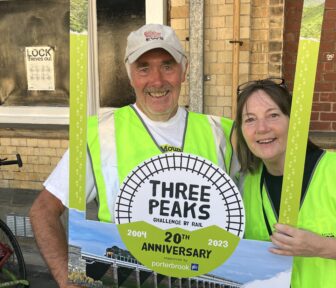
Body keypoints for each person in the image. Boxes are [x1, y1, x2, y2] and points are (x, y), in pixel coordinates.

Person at [29, 24, 235, 288]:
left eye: (167, 65)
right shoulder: (100, 133)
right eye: (144, 67)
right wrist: (67, 279)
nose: (157, 80)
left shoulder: (221, 133)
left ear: (184, 71)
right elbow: (43, 210)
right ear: (131, 77)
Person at [235, 78, 336, 287]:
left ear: (294, 122)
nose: (261, 128)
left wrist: (321, 247)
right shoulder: (243, 185)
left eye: (273, 115)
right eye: (250, 119)